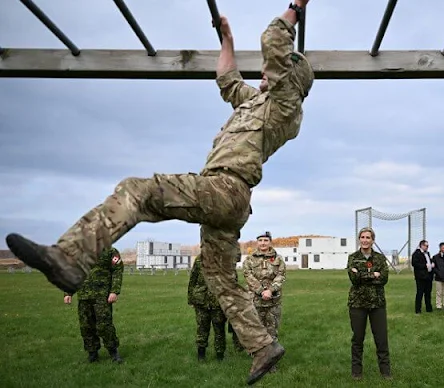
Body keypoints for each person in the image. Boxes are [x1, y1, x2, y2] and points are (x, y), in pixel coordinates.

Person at [5, 1, 314, 384]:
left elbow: (273, 39)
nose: (264, 70)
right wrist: (228, 41)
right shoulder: (255, 102)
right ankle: (262, 346)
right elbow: (227, 81)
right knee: (219, 277)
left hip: (224, 188)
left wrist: (295, 8)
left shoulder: (286, 106)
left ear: (291, 78)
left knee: (139, 191)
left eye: (273, 69)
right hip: (229, 199)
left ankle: (71, 257)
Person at [63, 247, 124, 363]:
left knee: (105, 325)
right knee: (86, 327)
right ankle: (92, 353)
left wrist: (114, 291)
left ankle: (113, 352)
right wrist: (68, 292)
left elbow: (117, 270)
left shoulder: (110, 251)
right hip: (84, 296)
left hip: (102, 296)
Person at [346, 227, 391, 381]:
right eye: (362, 237)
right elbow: (354, 280)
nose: (365, 240)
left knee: (381, 339)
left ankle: (385, 372)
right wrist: (373, 274)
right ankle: (356, 372)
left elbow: (384, 279)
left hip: (377, 303)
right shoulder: (353, 257)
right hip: (357, 303)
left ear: (373, 240)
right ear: (359, 239)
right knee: (358, 338)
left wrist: (362, 274)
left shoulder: (379, 258)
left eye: (368, 237)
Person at [242, 231, 286, 372]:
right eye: (260, 240)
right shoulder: (249, 259)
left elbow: (281, 276)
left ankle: (271, 362)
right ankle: (259, 361)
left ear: (270, 242)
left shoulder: (278, 259)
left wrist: (271, 290)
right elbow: (248, 277)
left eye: (265, 240)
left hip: (273, 302)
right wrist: (261, 291)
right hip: (255, 301)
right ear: (257, 242)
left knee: (272, 332)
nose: (263, 243)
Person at [188, 254, 243, 362]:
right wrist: (190, 299)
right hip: (201, 301)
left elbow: (233, 282)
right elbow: (192, 279)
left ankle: (220, 356)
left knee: (219, 329)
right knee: (202, 329)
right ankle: (201, 355)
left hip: (219, 302)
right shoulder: (200, 259)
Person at [411, 240, 434, 314]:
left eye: (428, 246)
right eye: (426, 246)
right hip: (421, 277)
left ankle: (429, 308)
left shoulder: (428, 253)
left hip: (428, 276)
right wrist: (425, 266)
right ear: (421, 245)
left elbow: (428, 261)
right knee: (420, 293)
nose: (427, 247)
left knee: (428, 293)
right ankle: (418, 310)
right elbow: (414, 263)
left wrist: (431, 264)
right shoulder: (416, 254)